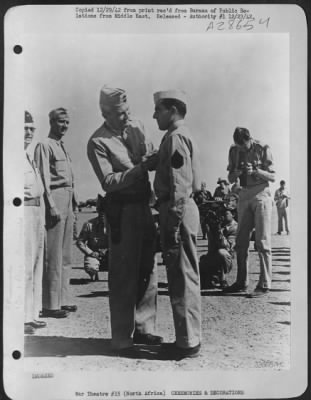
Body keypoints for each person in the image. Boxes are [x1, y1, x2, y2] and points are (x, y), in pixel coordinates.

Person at [87, 85, 162, 353]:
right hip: (122, 211)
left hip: (144, 206)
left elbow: (151, 152)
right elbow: (108, 182)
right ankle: (121, 337)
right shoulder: (98, 142)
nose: (126, 117)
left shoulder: (137, 126)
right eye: (121, 114)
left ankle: (145, 329)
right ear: (105, 113)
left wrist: (146, 149)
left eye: (128, 111)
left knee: (147, 270)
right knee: (122, 276)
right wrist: (140, 168)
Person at [153, 89, 201, 359]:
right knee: (184, 277)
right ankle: (188, 339)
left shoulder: (175, 138)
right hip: (180, 210)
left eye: (158, 110)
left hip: (177, 210)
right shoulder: (179, 135)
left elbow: (180, 186)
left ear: (172, 109)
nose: (154, 115)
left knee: (182, 278)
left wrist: (171, 223)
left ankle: (188, 342)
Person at [34, 107, 76, 318]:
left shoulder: (62, 147)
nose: (65, 126)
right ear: (51, 122)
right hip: (56, 199)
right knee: (53, 254)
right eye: (61, 122)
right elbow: (43, 177)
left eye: (67, 122)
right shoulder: (45, 145)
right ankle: (50, 304)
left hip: (68, 200)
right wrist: (50, 205)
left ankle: (63, 299)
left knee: (66, 254)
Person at [224, 127, 275, 297]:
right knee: (241, 242)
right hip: (244, 194)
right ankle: (241, 282)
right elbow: (230, 178)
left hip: (261, 193)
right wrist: (236, 173)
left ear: (249, 139)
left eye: (243, 146)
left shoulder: (263, 148)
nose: (241, 149)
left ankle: (265, 283)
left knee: (262, 241)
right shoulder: (233, 150)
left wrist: (256, 171)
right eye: (239, 146)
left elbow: (273, 176)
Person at [24, 111, 46, 334]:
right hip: (23, 212)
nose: (29, 132)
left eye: (32, 128)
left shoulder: (27, 156)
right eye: (24, 128)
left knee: (35, 264)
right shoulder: (11, 157)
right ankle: (21, 317)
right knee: (24, 267)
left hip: (36, 212)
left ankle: (31, 314)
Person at [200, 208, 237, 289]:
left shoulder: (235, 228)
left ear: (233, 215)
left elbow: (227, 246)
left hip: (227, 259)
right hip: (214, 255)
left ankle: (222, 279)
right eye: (221, 214)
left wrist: (219, 232)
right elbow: (211, 248)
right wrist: (210, 232)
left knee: (221, 252)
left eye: (226, 214)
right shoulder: (219, 225)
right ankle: (211, 279)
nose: (223, 216)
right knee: (203, 260)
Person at [76, 195, 109, 281]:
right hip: (94, 254)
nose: (102, 213)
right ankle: (93, 274)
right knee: (91, 267)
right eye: (100, 211)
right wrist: (90, 253)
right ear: (97, 211)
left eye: (105, 211)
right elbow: (80, 242)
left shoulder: (115, 225)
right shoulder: (89, 224)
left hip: (111, 255)